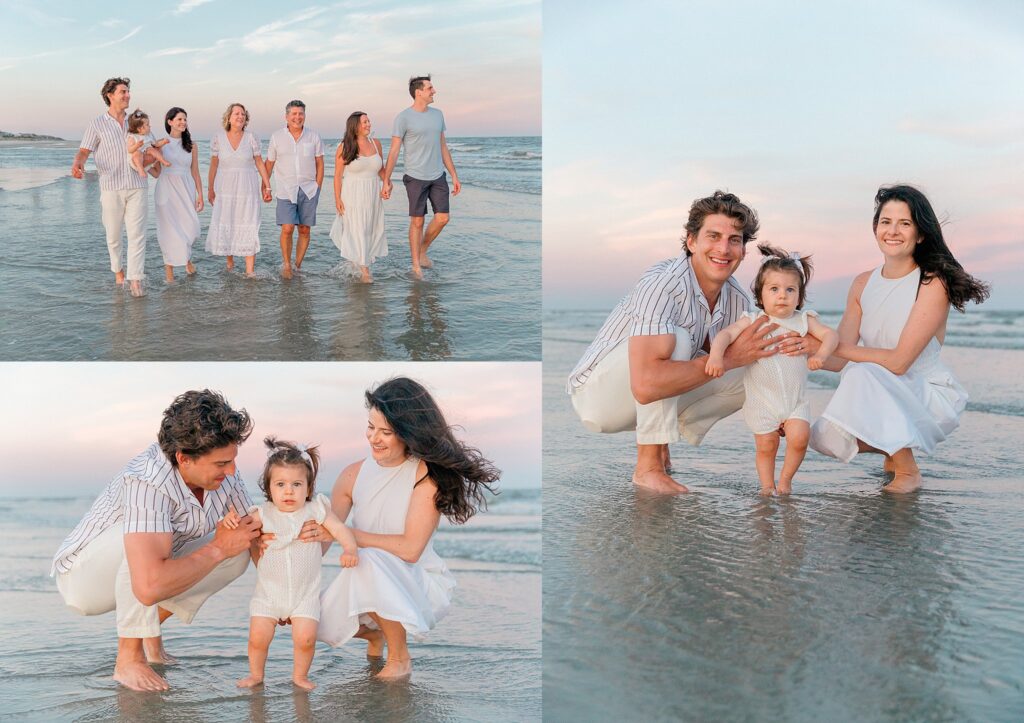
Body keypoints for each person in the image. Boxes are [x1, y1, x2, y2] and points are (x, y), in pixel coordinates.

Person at [567, 191, 806, 495]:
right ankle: (648, 468)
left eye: (734, 239)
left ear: (743, 250)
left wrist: (781, 408)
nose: (724, 248)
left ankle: (661, 440)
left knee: (757, 365)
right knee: (679, 339)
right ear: (691, 241)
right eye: (714, 236)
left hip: (642, 395)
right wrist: (730, 358)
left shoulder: (737, 300)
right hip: (599, 399)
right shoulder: (664, 284)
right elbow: (645, 384)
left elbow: (769, 359)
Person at [50, 390, 262, 692]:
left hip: (146, 567)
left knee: (238, 547)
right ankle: (128, 660)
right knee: (146, 545)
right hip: (84, 579)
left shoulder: (225, 472)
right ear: (183, 458)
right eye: (221, 464)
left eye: (232, 461)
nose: (231, 471)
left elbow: (252, 532)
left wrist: (283, 594)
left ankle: (149, 637)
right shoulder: (146, 478)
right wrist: (217, 548)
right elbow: (148, 586)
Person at [303, 377, 500, 679]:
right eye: (370, 427)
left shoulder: (425, 476)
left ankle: (399, 658)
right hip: (364, 578)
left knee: (368, 558)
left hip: (418, 582)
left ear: (410, 433)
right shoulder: (352, 474)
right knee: (305, 619)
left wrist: (346, 534)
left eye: (387, 432)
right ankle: (375, 633)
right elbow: (323, 543)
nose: (374, 439)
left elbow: (410, 550)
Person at [809, 185, 990, 493]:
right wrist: (797, 344)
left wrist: (830, 346)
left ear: (920, 234)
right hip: (883, 389)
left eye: (904, 223)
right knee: (818, 438)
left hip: (926, 395)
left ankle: (908, 471)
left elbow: (899, 361)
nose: (893, 231)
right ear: (875, 228)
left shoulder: (933, 282)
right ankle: (893, 452)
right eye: (886, 222)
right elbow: (838, 359)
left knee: (863, 370)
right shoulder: (862, 283)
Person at [706, 245, 839, 495]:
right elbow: (725, 334)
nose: (782, 296)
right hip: (762, 401)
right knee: (766, 446)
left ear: (799, 295)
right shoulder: (753, 319)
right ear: (760, 294)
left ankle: (786, 481)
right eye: (774, 289)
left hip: (794, 401)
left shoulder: (803, 319)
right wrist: (716, 357)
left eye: (790, 290)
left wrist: (821, 354)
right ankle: (767, 486)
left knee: (800, 438)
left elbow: (831, 335)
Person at [229, 437, 358, 691]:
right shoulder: (263, 513)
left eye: (297, 484)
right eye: (281, 484)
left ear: (308, 489)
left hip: (304, 595)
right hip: (268, 595)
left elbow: (340, 529)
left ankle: (300, 676)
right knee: (257, 639)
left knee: (306, 639)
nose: (289, 491)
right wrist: (230, 521)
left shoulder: (315, 511)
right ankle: (256, 675)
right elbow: (240, 530)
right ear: (269, 488)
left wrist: (350, 547)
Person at [70, 77, 158, 297]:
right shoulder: (97, 124)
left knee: (137, 235)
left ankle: (135, 279)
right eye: (123, 92)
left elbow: (152, 144)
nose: (127, 95)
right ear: (109, 95)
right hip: (110, 187)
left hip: (137, 185)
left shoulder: (136, 121)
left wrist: (154, 159)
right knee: (113, 235)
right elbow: (84, 150)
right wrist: (78, 162)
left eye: (128, 91)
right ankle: (119, 273)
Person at [381, 75, 461, 279]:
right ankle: (416, 264)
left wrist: (454, 174)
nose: (434, 91)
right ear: (418, 92)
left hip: (437, 175)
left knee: (443, 218)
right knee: (417, 222)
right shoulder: (403, 117)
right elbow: (394, 150)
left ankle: (422, 249)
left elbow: (443, 146)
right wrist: (386, 179)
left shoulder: (438, 115)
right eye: (430, 88)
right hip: (415, 176)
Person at [205, 103, 273, 277]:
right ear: (228, 117)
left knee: (249, 223)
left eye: (243, 114)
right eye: (236, 113)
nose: (240, 117)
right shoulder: (218, 137)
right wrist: (210, 188)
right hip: (225, 188)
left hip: (247, 188)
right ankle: (230, 262)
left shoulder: (251, 137)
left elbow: (259, 162)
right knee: (228, 221)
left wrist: (267, 185)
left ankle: (249, 271)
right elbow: (214, 165)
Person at [265, 100, 325, 279]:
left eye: (301, 114)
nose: (297, 117)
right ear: (286, 116)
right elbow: (269, 163)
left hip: (309, 190)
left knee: (305, 230)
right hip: (285, 189)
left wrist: (318, 187)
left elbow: (320, 164)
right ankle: (286, 264)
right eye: (294, 114)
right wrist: (265, 186)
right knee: (288, 228)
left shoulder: (313, 136)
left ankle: (297, 265)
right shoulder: (277, 137)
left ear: (304, 116)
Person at [330, 111, 388, 283]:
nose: (368, 124)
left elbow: (381, 170)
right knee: (358, 228)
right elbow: (337, 175)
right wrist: (337, 200)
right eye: (364, 122)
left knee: (370, 228)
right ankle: (365, 271)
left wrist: (387, 183)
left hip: (372, 194)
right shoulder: (345, 147)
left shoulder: (376, 144)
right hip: (352, 194)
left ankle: (357, 261)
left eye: (369, 121)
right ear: (355, 126)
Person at [154, 107, 203, 282]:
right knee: (168, 231)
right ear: (170, 122)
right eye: (179, 119)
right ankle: (170, 276)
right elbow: (156, 171)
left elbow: (195, 171)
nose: (183, 122)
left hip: (186, 187)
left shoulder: (192, 145)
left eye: (185, 119)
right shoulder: (161, 143)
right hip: (166, 189)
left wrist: (200, 195)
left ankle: (186, 258)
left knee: (191, 228)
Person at [125, 109, 170, 177]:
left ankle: (163, 161)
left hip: (146, 154)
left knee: (151, 149)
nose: (150, 126)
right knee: (137, 153)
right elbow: (130, 150)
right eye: (147, 125)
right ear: (140, 129)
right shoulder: (132, 137)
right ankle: (141, 170)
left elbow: (156, 144)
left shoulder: (148, 135)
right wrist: (136, 146)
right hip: (135, 160)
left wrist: (163, 142)